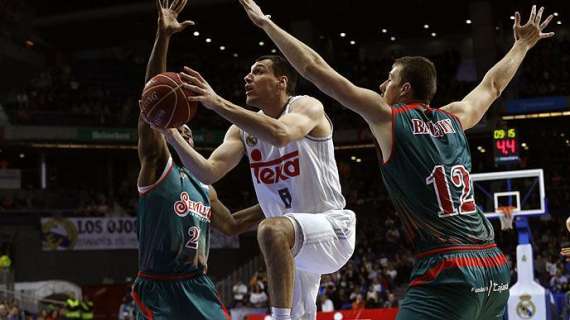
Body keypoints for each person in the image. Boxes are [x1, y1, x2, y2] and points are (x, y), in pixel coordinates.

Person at [238, 1, 554, 319]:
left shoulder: (388, 118)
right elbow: (494, 86)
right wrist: (522, 45)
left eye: (389, 79)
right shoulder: (457, 116)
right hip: (493, 266)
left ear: (404, 88)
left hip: (449, 268)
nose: (381, 85)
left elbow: (314, 69)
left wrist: (267, 24)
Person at [160, 22, 356, 320]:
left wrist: (216, 103)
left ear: (282, 81)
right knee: (303, 313)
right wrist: (173, 136)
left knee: (271, 228)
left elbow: (280, 134)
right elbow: (208, 172)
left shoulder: (306, 106)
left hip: (331, 230)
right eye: (249, 71)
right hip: (296, 248)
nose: (248, 76)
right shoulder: (240, 131)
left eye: (259, 70)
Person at [132, 0, 264, 319]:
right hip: (158, 288)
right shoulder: (156, 168)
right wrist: (163, 37)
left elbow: (231, 225)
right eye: (177, 126)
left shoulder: (204, 186)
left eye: (187, 128)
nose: (183, 131)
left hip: (198, 285)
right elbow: (153, 102)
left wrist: (287, 202)